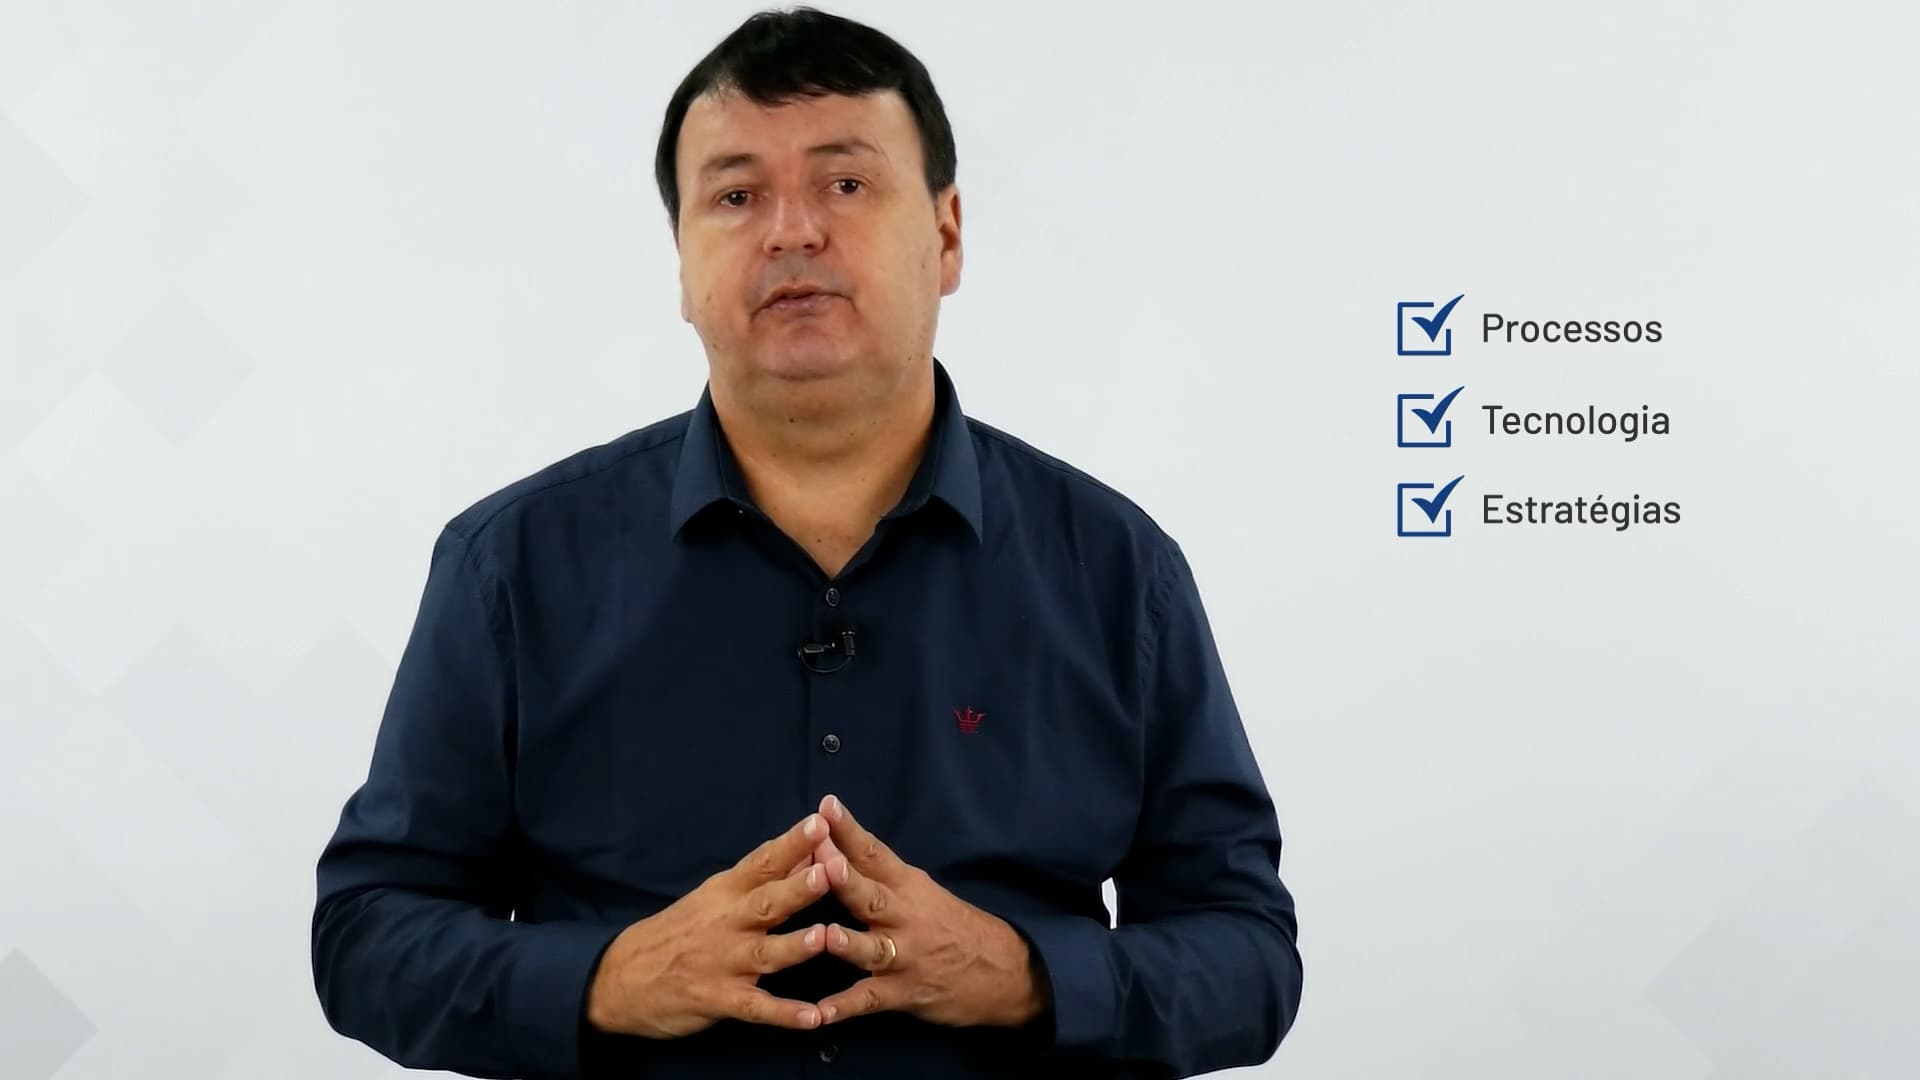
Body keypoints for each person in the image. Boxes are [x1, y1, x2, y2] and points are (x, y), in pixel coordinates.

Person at [311, 8, 1302, 1078]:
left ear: (947, 236)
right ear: (683, 265)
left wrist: (1023, 975)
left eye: (845, 183)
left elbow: (1249, 957)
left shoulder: (1117, 571)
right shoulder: (511, 566)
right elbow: (367, 934)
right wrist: (609, 979)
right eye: (736, 196)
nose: (792, 231)